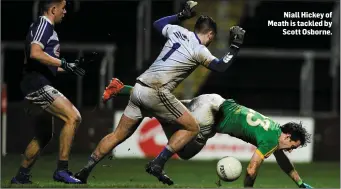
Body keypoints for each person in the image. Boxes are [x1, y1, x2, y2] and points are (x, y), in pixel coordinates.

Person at [75, 0, 246, 185]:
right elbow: (220, 67)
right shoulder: (200, 50)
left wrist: (180, 16)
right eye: (213, 37)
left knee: (117, 135)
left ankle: (84, 170)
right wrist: (235, 47)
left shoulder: (178, 31)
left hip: (139, 88)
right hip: (157, 92)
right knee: (192, 127)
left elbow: (157, 24)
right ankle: (158, 163)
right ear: (210, 34)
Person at [100, 78, 313, 188]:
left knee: (160, 104)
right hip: (210, 114)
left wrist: (300, 183)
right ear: (287, 137)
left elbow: (283, 161)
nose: (290, 151)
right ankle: (158, 161)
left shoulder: (274, 129)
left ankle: (121, 88)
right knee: (185, 151)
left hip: (211, 100)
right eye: (292, 146)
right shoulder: (271, 140)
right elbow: (250, 169)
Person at [11, 0, 85, 184]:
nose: (65, 12)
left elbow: (40, 60)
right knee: (73, 117)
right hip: (36, 84)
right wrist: (62, 63)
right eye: (63, 8)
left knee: (44, 135)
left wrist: (67, 67)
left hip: (33, 82)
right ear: (53, 9)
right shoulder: (44, 25)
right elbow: (35, 53)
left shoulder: (41, 26)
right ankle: (62, 170)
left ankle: (21, 176)